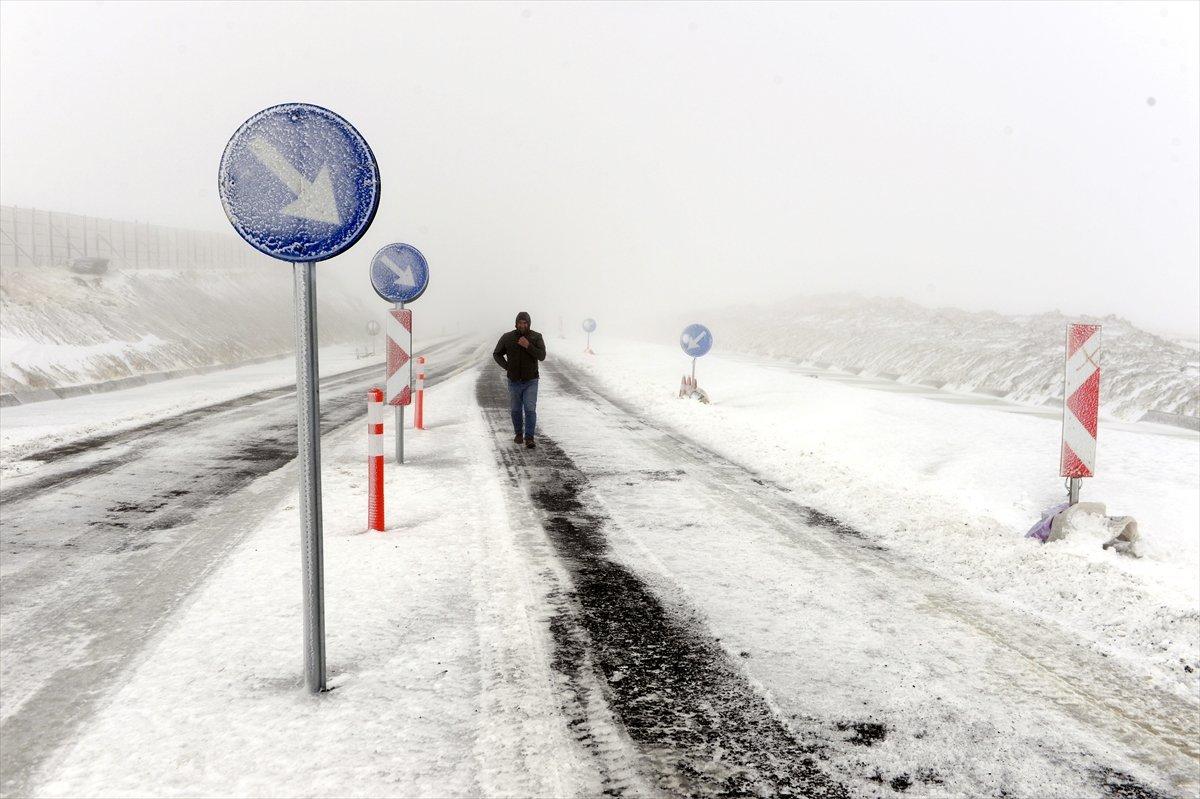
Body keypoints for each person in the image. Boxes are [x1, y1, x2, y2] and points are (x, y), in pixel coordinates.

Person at [492, 311, 547, 448]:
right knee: (516, 410)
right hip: (514, 381)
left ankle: (529, 438)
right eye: (520, 322)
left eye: (525, 323)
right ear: (516, 323)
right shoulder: (508, 337)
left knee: (529, 409)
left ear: (529, 324)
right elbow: (497, 354)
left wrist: (528, 345)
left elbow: (542, 356)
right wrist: (507, 367)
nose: (522, 325)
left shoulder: (536, 336)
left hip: (531, 381)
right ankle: (518, 434)